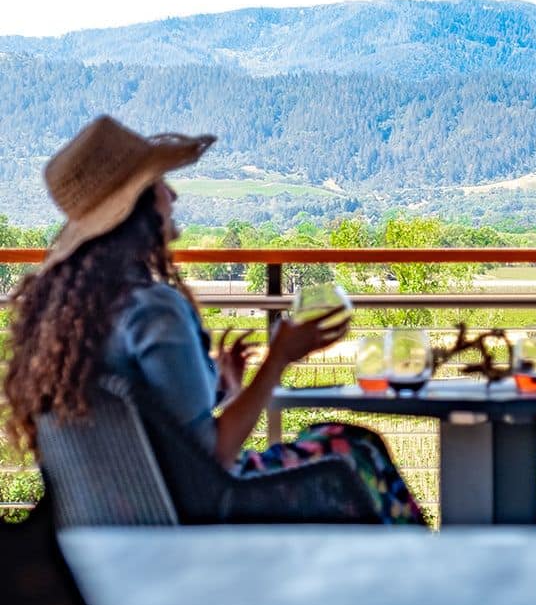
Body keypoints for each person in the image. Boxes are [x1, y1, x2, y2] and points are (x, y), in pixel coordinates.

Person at [3, 115, 424, 526]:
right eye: (159, 185)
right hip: (205, 507)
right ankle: (417, 567)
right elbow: (216, 455)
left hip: (130, 512)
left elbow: (163, 430)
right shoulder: (153, 311)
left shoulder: (68, 318)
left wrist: (223, 390)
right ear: (138, 208)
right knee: (356, 448)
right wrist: (278, 358)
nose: (172, 196)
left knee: (337, 442)